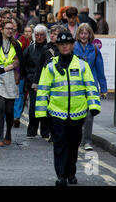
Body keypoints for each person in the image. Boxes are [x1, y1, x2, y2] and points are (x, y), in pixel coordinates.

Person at [36, 31, 101, 186]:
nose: (65, 46)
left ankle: (71, 173)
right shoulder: (50, 66)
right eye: (62, 44)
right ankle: (61, 176)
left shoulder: (82, 64)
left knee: (73, 146)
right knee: (59, 145)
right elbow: (43, 90)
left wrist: (94, 106)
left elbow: (90, 86)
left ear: (72, 45)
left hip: (77, 114)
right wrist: (40, 112)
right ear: (58, 46)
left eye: (68, 44)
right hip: (56, 113)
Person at [74, 23, 107, 151]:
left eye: (86, 33)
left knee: (89, 115)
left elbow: (100, 70)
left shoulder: (95, 49)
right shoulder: (73, 48)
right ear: (78, 34)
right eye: (81, 33)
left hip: (91, 86)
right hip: (76, 85)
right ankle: (77, 139)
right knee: (77, 115)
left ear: (89, 35)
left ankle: (87, 141)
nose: (83, 35)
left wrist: (103, 89)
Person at [0, 20, 20, 147]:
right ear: (1, 29)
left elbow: (18, 62)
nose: (10, 31)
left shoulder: (17, 44)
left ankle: (8, 133)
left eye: (12, 28)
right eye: (7, 28)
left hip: (10, 76)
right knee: (0, 107)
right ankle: (0, 136)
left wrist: (6, 68)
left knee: (9, 111)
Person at [22, 24, 50, 139]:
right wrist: (28, 79)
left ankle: (45, 131)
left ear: (45, 36)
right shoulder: (30, 48)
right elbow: (24, 65)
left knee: (45, 109)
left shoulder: (49, 49)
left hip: (46, 83)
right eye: (37, 35)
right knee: (33, 109)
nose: (39, 37)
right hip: (32, 83)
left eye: (41, 35)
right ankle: (32, 130)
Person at [12, 18, 30, 127]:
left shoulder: (23, 39)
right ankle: (9, 115)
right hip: (7, 70)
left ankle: (17, 116)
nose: (12, 26)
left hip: (20, 70)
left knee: (19, 94)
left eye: (14, 24)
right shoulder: (4, 38)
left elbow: (27, 55)